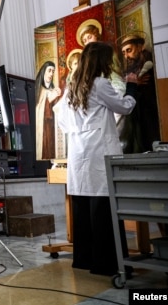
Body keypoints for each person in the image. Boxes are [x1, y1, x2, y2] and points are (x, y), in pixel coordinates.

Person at [56, 41, 137, 276]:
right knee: (102, 207)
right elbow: (124, 107)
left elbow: (62, 121)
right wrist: (131, 87)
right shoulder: (100, 83)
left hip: (79, 150)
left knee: (82, 206)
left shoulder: (72, 86)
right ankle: (106, 263)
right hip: (98, 151)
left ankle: (84, 259)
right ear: (101, 61)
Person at [119, 32, 159, 153]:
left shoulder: (150, 62)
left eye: (129, 50)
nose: (126, 56)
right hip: (136, 113)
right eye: (124, 53)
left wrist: (135, 85)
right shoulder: (131, 68)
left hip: (150, 111)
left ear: (140, 46)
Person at [35, 61, 61, 160]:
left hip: (51, 125)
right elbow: (41, 107)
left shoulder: (52, 89)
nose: (51, 74)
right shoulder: (39, 89)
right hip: (43, 126)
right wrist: (50, 97)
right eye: (49, 70)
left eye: (53, 71)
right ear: (43, 72)